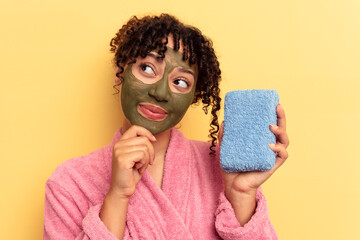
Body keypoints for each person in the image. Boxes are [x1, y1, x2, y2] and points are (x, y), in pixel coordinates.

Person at [43, 14, 289, 240]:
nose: (160, 92)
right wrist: (117, 196)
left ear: (193, 96)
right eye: (147, 68)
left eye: (180, 81)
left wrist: (241, 195)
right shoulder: (68, 183)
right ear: (121, 72)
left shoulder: (220, 166)